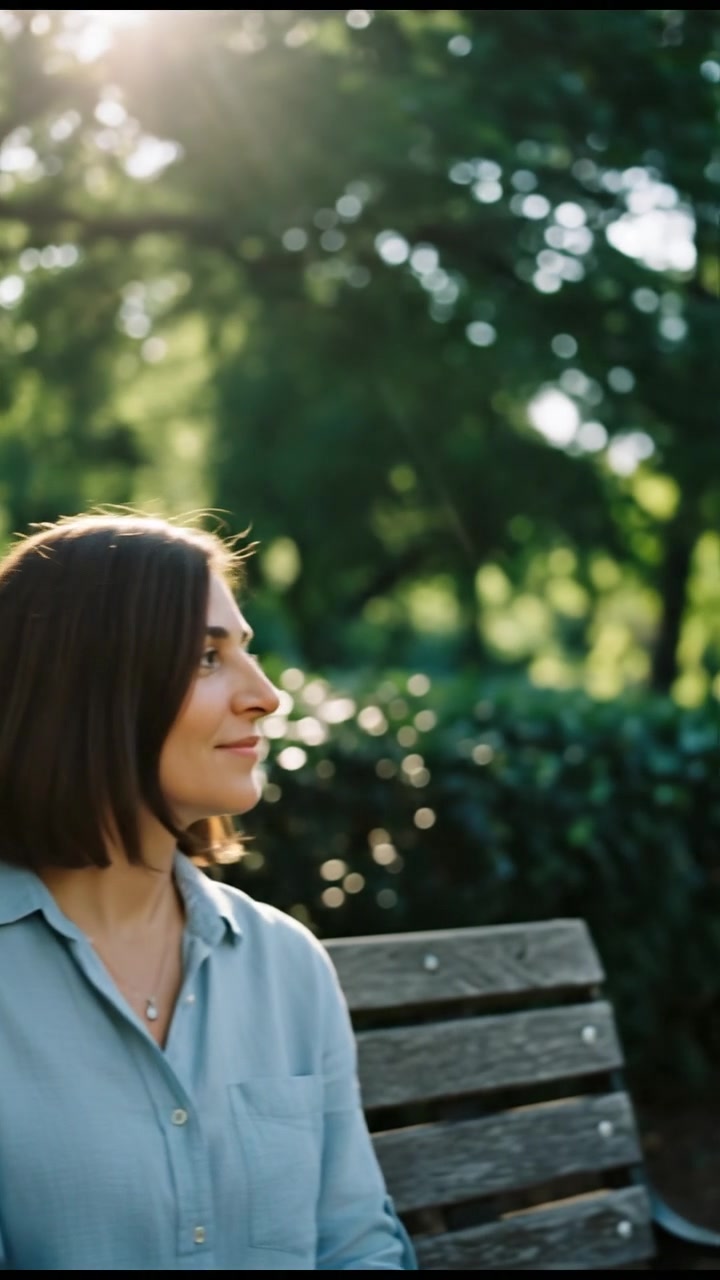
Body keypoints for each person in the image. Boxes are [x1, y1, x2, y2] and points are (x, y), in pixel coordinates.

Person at [0, 512, 417, 1272]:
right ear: (86, 692)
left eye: (245, 653)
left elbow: (357, 1244)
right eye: (204, 658)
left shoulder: (289, 967)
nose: (265, 697)